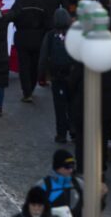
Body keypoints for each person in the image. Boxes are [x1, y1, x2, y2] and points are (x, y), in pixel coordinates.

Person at [38, 8, 74, 144]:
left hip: (57, 75)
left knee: (59, 107)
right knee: (72, 104)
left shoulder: (50, 35)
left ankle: (61, 134)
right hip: (72, 75)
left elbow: (43, 56)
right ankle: (74, 130)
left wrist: (41, 74)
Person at [13, 0, 47, 102]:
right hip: (38, 38)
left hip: (22, 37)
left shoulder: (20, 2)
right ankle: (32, 87)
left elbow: (12, 16)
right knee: (34, 65)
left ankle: (26, 92)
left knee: (24, 66)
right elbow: (46, 21)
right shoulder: (41, 3)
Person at [35, 150, 83, 217]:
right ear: (57, 167)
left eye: (72, 166)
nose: (70, 170)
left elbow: (92, 208)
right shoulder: (43, 186)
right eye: (67, 166)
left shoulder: (79, 184)